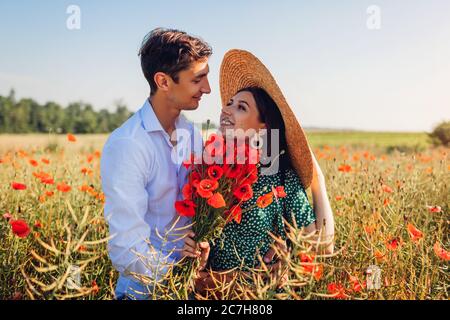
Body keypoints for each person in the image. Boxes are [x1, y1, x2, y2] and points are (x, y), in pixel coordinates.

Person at [181, 49, 335, 297]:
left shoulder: (280, 178)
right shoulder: (208, 170)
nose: (226, 110)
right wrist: (195, 256)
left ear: (263, 127)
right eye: (229, 103)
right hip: (208, 293)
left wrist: (319, 183)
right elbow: (193, 243)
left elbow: (322, 247)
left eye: (241, 107)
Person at [100, 28, 212, 300]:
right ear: (163, 81)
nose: (207, 89)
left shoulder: (193, 136)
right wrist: (177, 276)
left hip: (186, 293)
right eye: (198, 79)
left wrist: (201, 248)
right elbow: (126, 249)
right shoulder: (128, 144)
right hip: (143, 293)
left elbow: (192, 216)